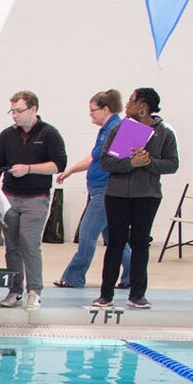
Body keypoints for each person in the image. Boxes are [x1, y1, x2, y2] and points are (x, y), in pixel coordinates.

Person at [98, 87, 180, 310]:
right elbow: (105, 162)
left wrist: (150, 162)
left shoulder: (164, 133)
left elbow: (173, 164)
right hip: (117, 195)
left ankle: (137, 294)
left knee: (141, 243)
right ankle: (106, 294)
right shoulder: (118, 129)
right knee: (115, 242)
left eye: (132, 101)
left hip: (147, 196)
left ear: (143, 107)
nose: (127, 105)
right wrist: (130, 164)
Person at [0, 90, 66, 311]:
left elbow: (59, 165)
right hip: (9, 198)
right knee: (11, 247)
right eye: (12, 111)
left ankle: (34, 291)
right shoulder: (7, 135)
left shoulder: (49, 134)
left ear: (33, 109)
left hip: (35, 198)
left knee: (29, 244)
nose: (15, 116)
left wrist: (29, 169)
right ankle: (15, 289)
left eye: (19, 111)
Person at [55, 88, 132, 291]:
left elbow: (120, 162)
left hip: (106, 191)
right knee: (115, 238)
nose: (90, 114)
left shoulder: (118, 128)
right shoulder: (105, 130)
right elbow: (94, 157)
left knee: (87, 235)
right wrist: (70, 170)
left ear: (105, 109)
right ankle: (132, 275)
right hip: (98, 189)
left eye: (93, 110)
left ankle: (74, 277)